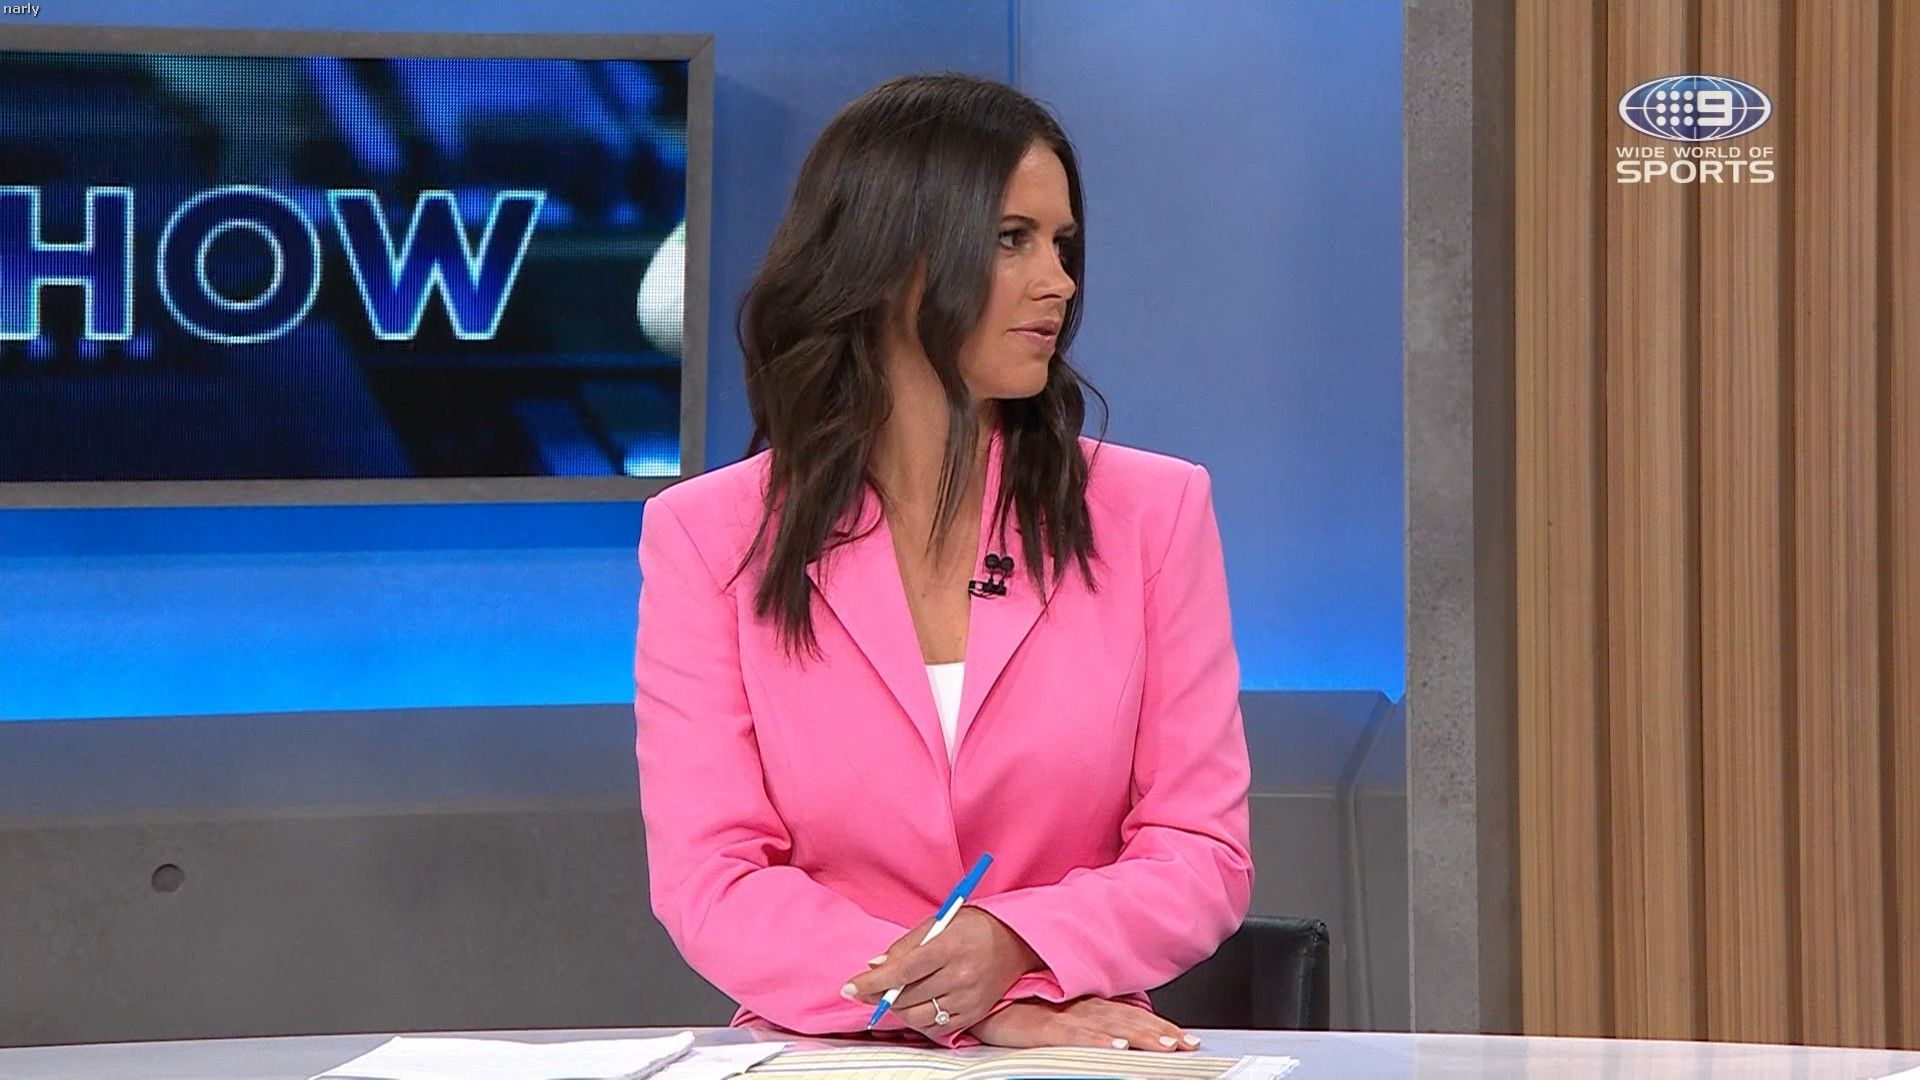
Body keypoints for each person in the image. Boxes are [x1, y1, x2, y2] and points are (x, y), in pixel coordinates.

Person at [633, 72, 1252, 1053]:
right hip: (831, 1053)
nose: (1059, 282)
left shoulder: (1152, 515)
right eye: (1012, 239)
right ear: (890, 259)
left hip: (1077, 1055)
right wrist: (968, 999)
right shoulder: (708, 537)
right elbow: (712, 879)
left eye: (1062, 244)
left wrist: (1015, 945)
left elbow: (1200, 850)